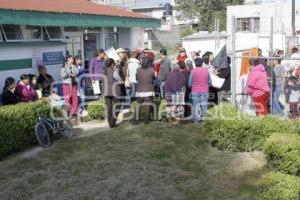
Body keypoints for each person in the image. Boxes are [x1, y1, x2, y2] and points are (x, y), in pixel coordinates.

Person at [134, 53, 156, 125]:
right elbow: (154, 78)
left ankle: (136, 120)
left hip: (139, 89)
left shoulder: (138, 70)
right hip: (149, 90)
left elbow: (136, 78)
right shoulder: (151, 70)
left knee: (138, 105)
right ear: (148, 63)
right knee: (147, 106)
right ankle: (146, 121)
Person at [189, 58, 210, 123]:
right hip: (204, 89)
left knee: (196, 105)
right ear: (202, 63)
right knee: (204, 105)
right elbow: (209, 82)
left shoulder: (193, 71)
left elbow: (189, 82)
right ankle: (205, 120)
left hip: (195, 90)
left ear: (195, 64)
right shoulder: (206, 71)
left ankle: (196, 120)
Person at [103, 58, 122, 128]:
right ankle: (113, 122)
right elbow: (120, 81)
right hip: (114, 91)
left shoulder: (103, 71)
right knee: (118, 105)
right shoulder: (114, 71)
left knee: (109, 108)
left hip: (106, 91)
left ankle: (110, 123)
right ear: (112, 64)